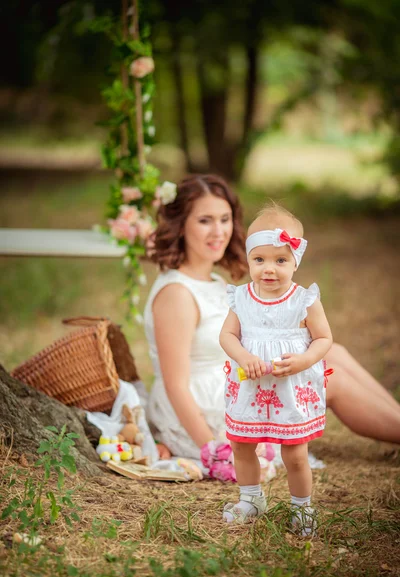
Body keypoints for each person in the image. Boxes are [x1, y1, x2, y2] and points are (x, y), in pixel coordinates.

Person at [143, 174, 400, 467]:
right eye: (205, 221)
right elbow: (176, 385)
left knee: (333, 352)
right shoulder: (176, 293)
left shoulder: (212, 281)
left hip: (237, 378)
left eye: (225, 219)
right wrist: (215, 451)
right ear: (180, 225)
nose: (219, 231)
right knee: (332, 379)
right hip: (203, 411)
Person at [219, 203, 332, 530]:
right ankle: (250, 497)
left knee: (295, 453)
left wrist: (304, 360)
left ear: (295, 261)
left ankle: (302, 506)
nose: (269, 269)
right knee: (242, 445)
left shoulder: (304, 300)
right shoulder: (241, 298)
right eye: (260, 260)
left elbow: (324, 338)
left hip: (290, 388)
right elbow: (227, 334)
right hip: (250, 386)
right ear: (249, 260)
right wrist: (243, 356)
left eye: (280, 260)